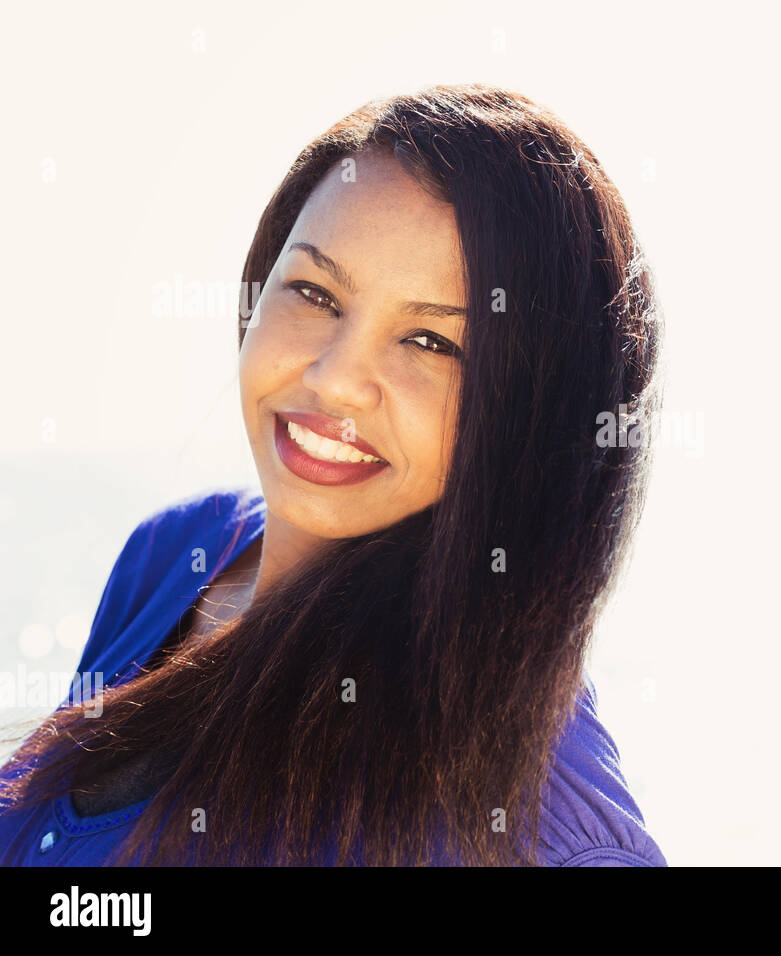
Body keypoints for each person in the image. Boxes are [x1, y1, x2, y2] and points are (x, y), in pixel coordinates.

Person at [0, 84, 665, 866]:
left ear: (533, 409)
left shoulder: (530, 787)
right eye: (315, 293)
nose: (335, 379)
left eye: (431, 343)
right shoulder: (179, 554)